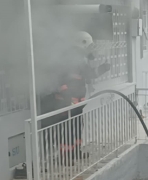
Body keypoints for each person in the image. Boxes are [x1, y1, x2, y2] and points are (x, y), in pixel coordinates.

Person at [41, 31, 110, 164]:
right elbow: (61, 80)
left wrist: (103, 69)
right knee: (67, 128)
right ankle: (65, 156)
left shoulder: (80, 59)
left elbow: (89, 75)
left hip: (77, 101)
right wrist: (67, 97)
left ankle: (75, 151)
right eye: (88, 47)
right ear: (82, 44)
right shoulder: (67, 59)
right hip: (66, 101)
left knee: (77, 126)